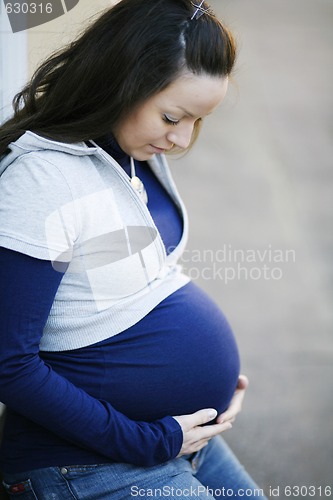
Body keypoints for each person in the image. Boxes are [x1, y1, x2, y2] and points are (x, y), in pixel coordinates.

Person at [0, 0, 267, 498]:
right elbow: (8, 364)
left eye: (197, 121)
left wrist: (209, 386)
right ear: (123, 81)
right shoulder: (41, 180)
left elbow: (129, 291)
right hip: (89, 463)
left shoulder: (128, 152)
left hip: (180, 440)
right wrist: (148, 437)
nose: (182, 138)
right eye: (172, 116)